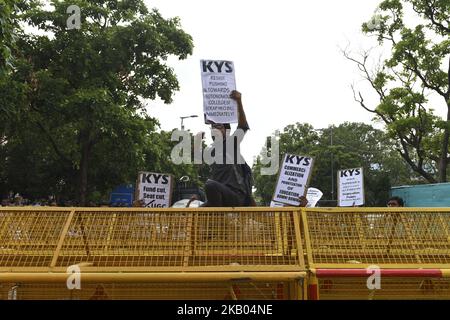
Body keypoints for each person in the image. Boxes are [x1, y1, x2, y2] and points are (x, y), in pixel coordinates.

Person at [201, 90, 252, 207]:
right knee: (196, 214)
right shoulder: (210, 152)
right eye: (213, 127)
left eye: (218, 126)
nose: (215, 128)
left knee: (210, 185)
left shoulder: (230, 143)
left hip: (236, 195)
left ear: (226, 131)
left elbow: (243, 126)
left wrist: (239, 101)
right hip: (220, 196)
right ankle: (221, 220)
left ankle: (222, 218)